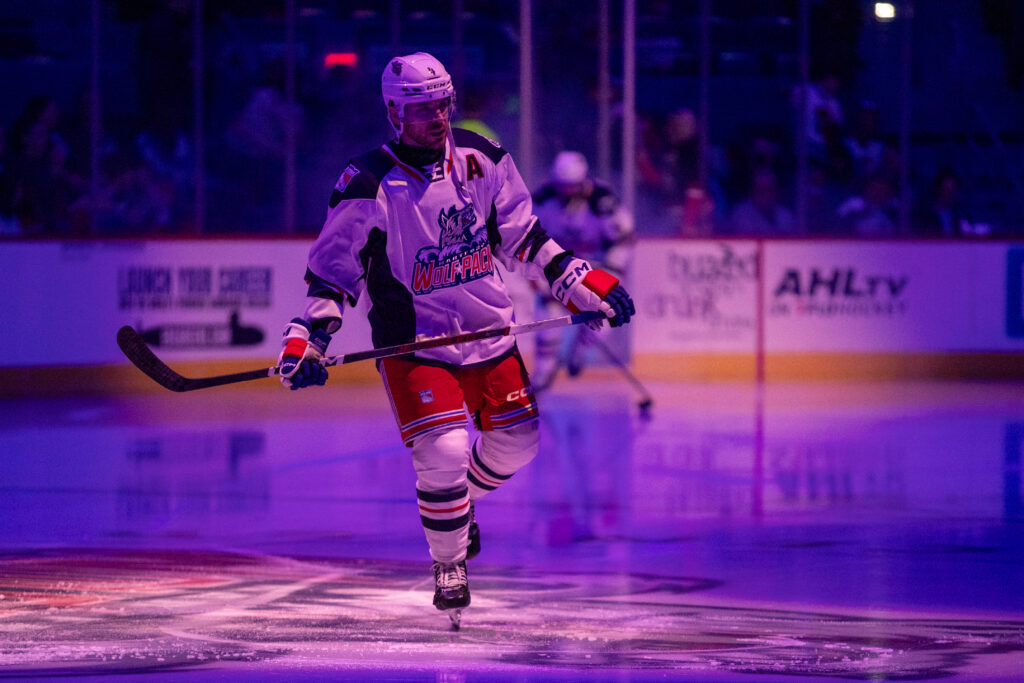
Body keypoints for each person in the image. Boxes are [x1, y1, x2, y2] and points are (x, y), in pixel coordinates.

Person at [275, 53, 634, 623]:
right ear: (395, 112)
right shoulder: (367, 182)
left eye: (442, 104)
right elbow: (333, 273)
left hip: (490, 331)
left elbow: (524, 237)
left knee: (519, 444)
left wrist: (580, 281)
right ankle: (448, 563)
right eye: (421, 108)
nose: (436, 117)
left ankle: (454, 510)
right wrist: (310, 338)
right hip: (415, 347)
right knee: (441, 454)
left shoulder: (483, 157)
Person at [530, 151, 634, 389]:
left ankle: (580, 353)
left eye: (572, 187)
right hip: (558, 267)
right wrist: (538, 275)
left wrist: (611, 274)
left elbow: (623, 239)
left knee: (605, 316)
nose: (566, 193)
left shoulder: (603, 201)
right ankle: (543, 373)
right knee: (547, 315)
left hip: (596, 267)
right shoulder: (543, 198)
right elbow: (528, 237)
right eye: (562, 187)